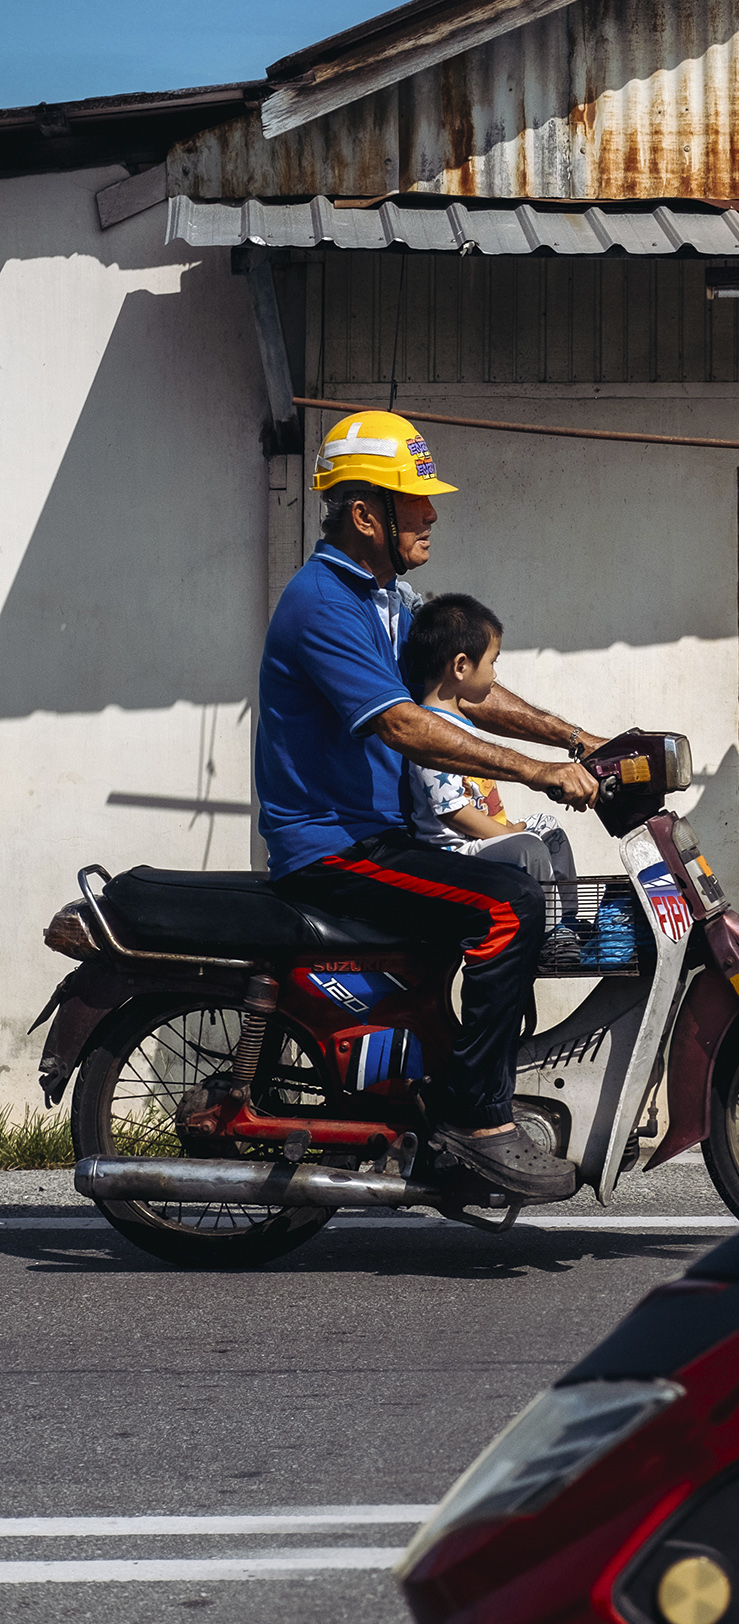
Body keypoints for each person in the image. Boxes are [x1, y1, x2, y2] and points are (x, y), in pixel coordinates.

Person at [254, 410, 607, 1204]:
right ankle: (478, 1123)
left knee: (503, 889)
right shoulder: (323, 604)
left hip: (376, 837)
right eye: (415, 500)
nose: (432, 514)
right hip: (332, 849)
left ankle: (449, 1091)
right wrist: (536, 774)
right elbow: (405, 723)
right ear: (365, 514)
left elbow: (463, 693)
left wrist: (582, 742)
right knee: (509, 905)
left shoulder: (385, 600)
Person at [400, 591, 581, 946]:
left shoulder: (462, 723)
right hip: (454, 852)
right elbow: (452, 812)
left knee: (550, 830)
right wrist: (507, 834)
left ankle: (568, 926)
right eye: (493, 662)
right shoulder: (431, 732)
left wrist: (511, 830)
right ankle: (549, 937)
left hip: (486, 839)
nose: (495, 674)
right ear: (461, 666)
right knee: (528, 846)